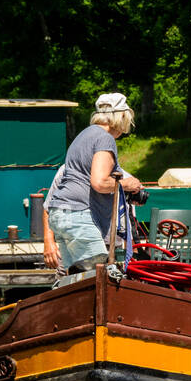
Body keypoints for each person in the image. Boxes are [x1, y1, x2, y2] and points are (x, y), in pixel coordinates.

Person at [45, 93, 144, 273]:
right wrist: (127, 185)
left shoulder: (84, 135)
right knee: (99, 276)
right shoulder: (105, 138)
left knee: (72, 281)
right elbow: (99, 182)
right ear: (121, 117)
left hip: (60, 214)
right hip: (78, 216)